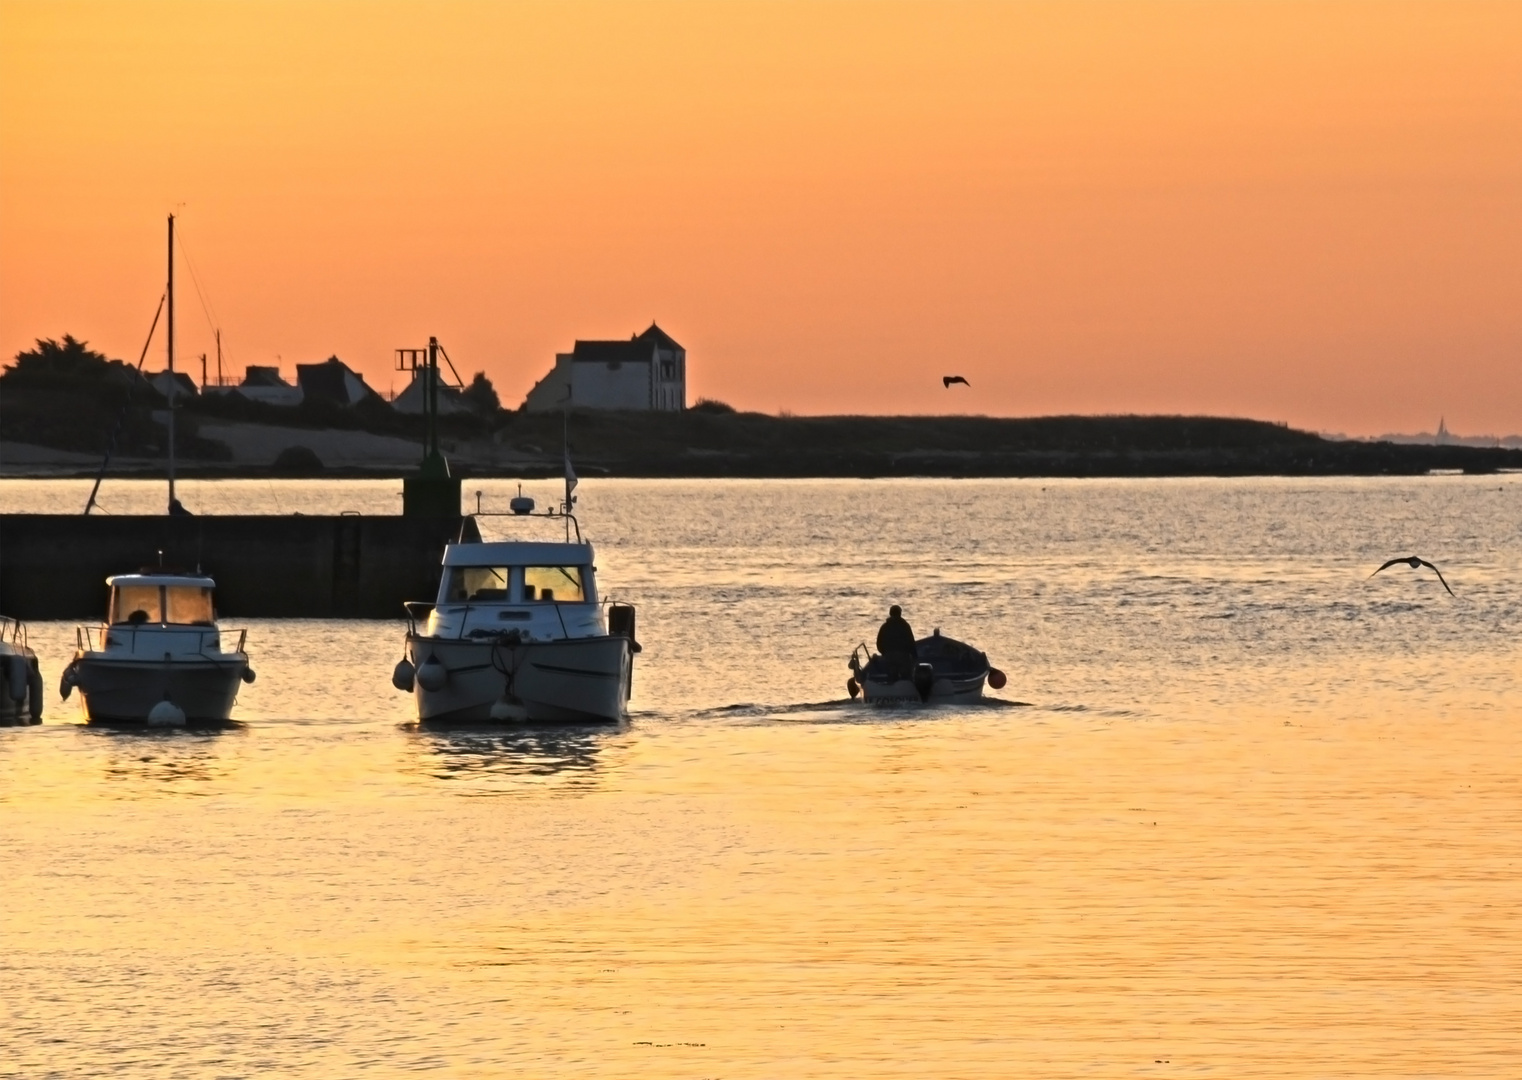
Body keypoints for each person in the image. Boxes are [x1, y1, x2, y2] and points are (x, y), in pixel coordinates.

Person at [876, 604, 917, 680]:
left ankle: (892, 685)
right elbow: (911, 642)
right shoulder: (905, 626)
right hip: (903, 656)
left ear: (890, 613)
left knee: (891, 674)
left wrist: (884, 653)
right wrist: (915, 657)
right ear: (900, 613)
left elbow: (879, 643)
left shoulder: (884, 626)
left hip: (889, 656)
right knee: (906, 675)